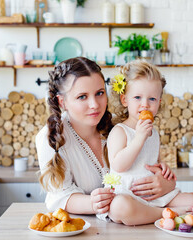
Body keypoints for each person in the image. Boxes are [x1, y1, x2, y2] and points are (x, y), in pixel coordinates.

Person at [36, 57, 176, 218]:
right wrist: (92, 203)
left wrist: (165, 183)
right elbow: (58, 197)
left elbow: (144, 166)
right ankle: (168, 214)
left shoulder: (120, 127)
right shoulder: (50, 138)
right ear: (62, 102)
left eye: (100, 93)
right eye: (82, 96)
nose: (95, 104)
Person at [106, 60, 193, 225]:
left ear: (159, 102)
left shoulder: (154, 132)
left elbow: (150, 162)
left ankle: (158, 213)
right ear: (124, 100)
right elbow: (118, 166)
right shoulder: (120, 131)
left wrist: (162, 167)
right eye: (137, 97)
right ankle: (164, 214)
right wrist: (139, 138)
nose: (145, 104)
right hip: (128, 194)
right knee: (119, 207)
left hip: (153, 195)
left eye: (152, 98)